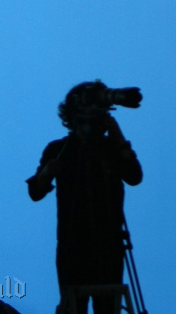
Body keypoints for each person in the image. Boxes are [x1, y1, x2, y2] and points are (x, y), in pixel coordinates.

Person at [26, 81, 143, 314]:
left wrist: (118, 136)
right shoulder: (60, 149)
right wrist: (49, 171)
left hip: (108, 246)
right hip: (73, 248)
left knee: (107, 307)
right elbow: (35, 191)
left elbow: (134, 176)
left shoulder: (111, 147)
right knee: (75, 307)